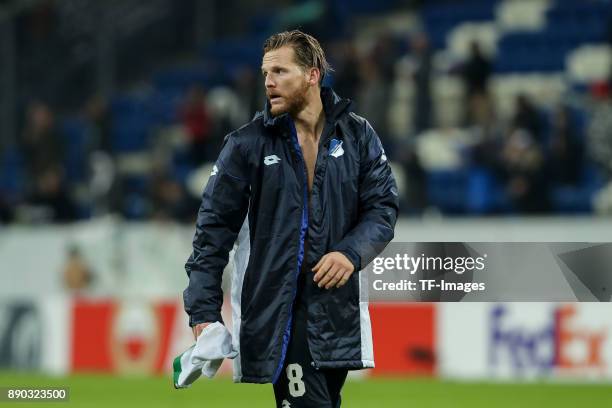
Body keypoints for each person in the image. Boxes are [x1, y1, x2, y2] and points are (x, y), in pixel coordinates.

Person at [183, 30, 398, 407]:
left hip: (337, 313)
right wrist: (203, 312)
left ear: (312, 74)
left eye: (281, 71)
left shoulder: (358, 135)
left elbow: (382, 209)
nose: (269, 82)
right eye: (267, 73)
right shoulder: (246, 145)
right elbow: (211, 235)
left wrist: (350, 253)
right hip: (278, 312)